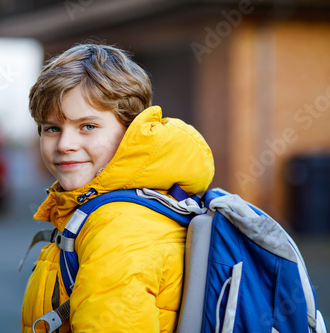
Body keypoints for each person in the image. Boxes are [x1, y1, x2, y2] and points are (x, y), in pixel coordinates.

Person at [22, 43, 215, 332]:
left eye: (87, 126)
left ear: (130, 131)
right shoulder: (130, 202)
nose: (65, 145)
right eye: (52, 128)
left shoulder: (119, 232)